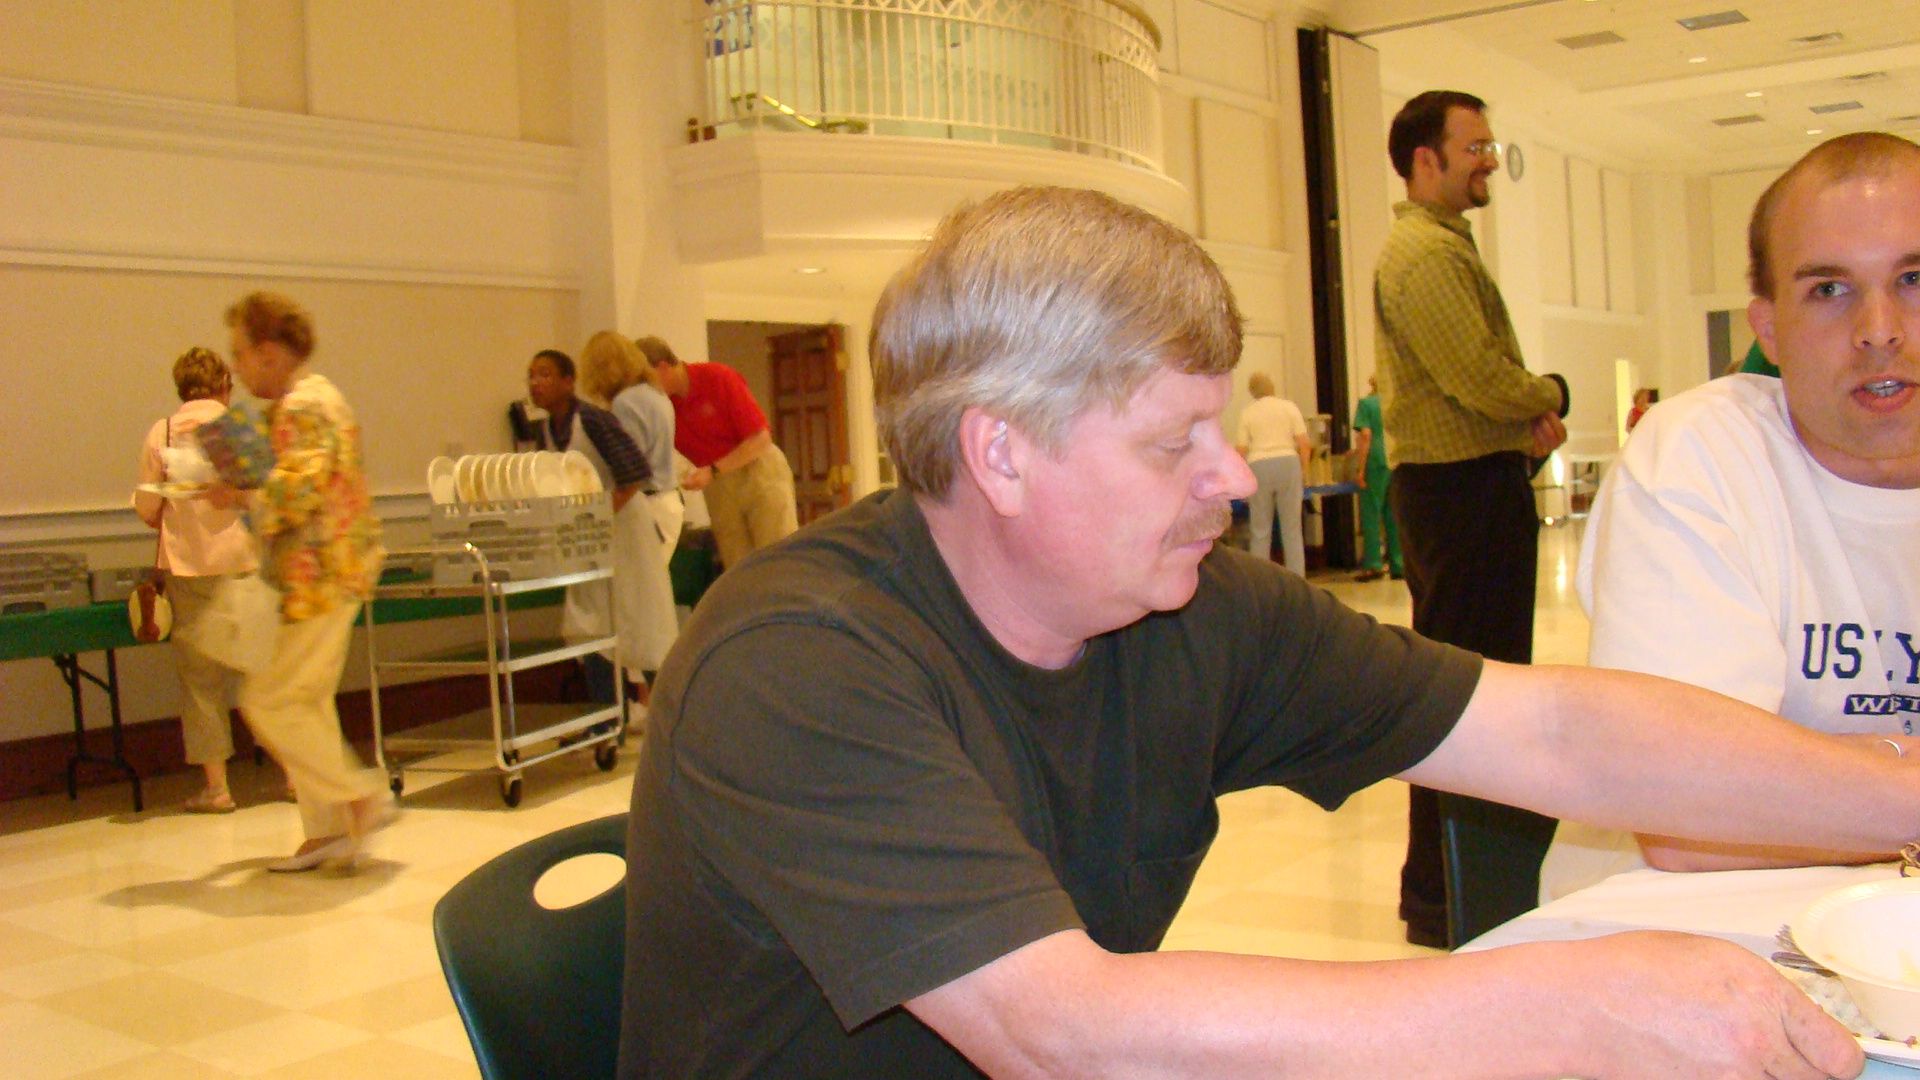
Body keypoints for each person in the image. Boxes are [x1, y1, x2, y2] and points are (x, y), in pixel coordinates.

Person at [618, 184, 1920, 1079]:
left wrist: (1901, 788)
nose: (1235, 475)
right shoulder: (797, 664)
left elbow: (1557, 733)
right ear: (1000, 454)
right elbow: (1062, 1035)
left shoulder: (1183, 606)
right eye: (1173, 439)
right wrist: (1581, 1009)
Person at [1541, 131, 1920, 900]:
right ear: (1769, 331)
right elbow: (1693, 819)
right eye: (1830, 289)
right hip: (1684, 935)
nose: (1880, 328)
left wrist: (1804, 776)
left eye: (1915, 278)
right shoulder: (1699, 456)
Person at [1373, 89, 1571, 947]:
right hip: (1460, 499)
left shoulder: (1442, 247)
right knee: (1468, 701)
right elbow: (1479, 378)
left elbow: (1473, 388)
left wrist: (1520, 426)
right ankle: (1449, 898)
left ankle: (1454, 893)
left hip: (1467, 489)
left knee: (1475, 693)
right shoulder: (1425, 256)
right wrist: (1550, 394)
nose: (1490, 161)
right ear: (1427, 159)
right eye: (1476, 147)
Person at [212, 291, 392, 871]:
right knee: (306, 701)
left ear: (268, 351)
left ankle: (356, 794)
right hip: (329, 571)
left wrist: (239, 493)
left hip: (319, 574)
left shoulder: (304, 406)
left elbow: (298, 491)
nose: (237, 367)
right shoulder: (315, 399)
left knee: (269, 700)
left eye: (240, 353)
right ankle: (327, 829)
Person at [133, 347, 257, 814]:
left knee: (200, 681)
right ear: (224, 385)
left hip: (187, 567)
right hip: (242, 563)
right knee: (261, 671)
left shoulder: (162, 432)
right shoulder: (234, 428)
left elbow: (147, 507)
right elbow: (263, 494)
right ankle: (293, 776)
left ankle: (217, 788)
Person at [526, 346, 675, 699]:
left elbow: (635, 472)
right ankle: (606, 717)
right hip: (588, 537)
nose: (535, 383)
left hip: (625, 529)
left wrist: (600, 513)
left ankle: (670, 709)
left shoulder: (593, 420)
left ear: (569, 381)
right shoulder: (545, 430)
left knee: (642, 621)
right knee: (590, 625)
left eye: (545, 374)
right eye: (530, 376)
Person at [643, 337, 798, 570]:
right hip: (718, 482)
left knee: (777, 558)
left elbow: (760, 438)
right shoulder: (664, 406)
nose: (645, 389)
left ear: (663, 367)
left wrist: (713, 470)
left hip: (758, 469)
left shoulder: (717, 377)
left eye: (646, 380)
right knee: (737, 564)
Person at [1232, 372, 1311, 574]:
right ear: (1272, 387)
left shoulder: (1248, 413)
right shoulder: (1289, 407)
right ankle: (1297, 579)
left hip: (1258, 466)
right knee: (1292, 529)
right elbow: (1304, 444)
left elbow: (1241, 450)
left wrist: (1240, 479)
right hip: (1288, 463)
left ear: (1251, 391)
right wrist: (1304, 471)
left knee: (1260, 530)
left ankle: (1261, 580)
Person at [1348, 373, 1402, 582]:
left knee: (1371, 512)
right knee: (1392, 513)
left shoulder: (1367, 404)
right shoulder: (1393, 402)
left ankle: (1373, 563)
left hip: (1375, 462)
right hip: (1393, 458)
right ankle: (1398, 563)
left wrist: (1361, 469)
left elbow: (1366, 435)